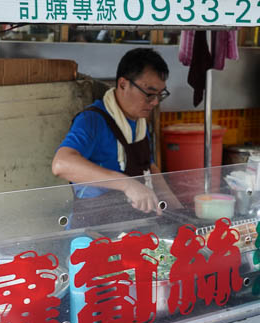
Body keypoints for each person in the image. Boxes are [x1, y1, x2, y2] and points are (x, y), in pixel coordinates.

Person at [51, 48, 171, 223]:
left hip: (132, 220)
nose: (154, 102)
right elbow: (61, 164)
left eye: (160, 95)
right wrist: (127, 184)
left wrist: (177, 210)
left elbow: (150, 168)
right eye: (149, 94)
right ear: (123, 84)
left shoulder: (139, 123)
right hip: (93, 225)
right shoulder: (92, 120)